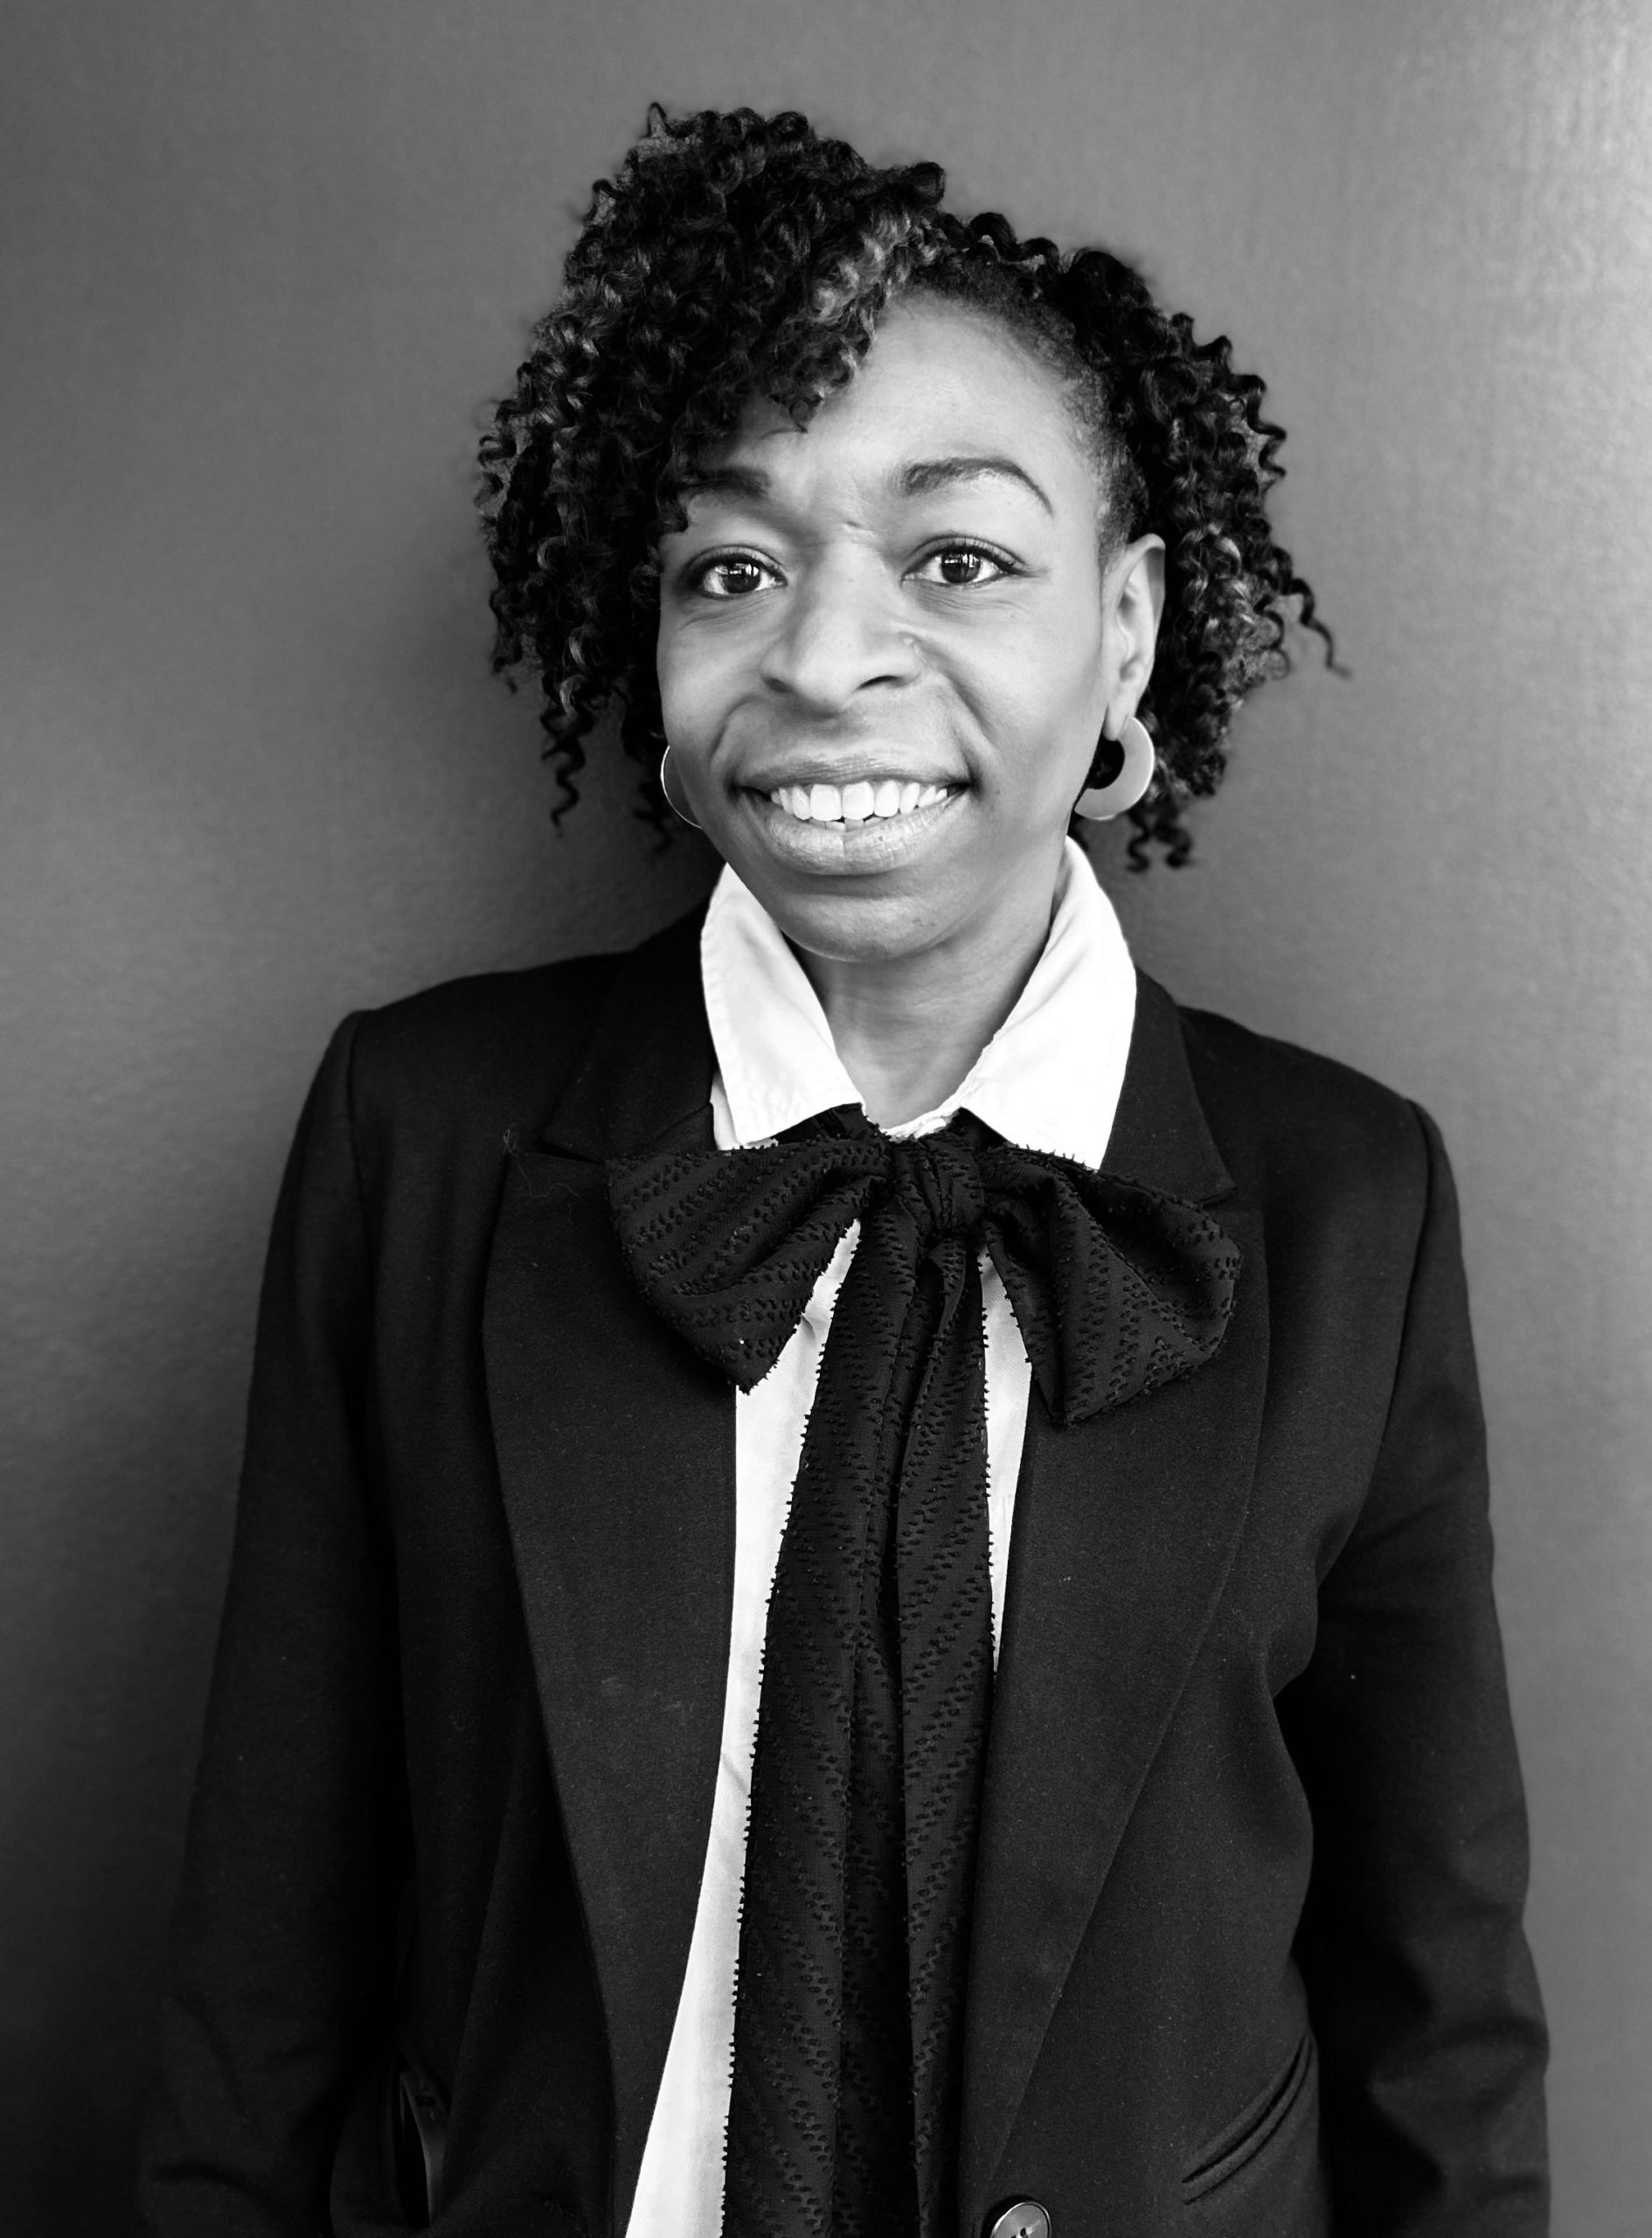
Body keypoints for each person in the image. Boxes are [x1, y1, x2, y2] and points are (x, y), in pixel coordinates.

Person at [138, 104, 1548, 2238]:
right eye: (734, 564)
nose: (816, 657)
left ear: (1134, 625)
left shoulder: (1353, 1199)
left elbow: (1436, 1999)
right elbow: (269, 1948)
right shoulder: (415, 1138)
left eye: (957, 558)